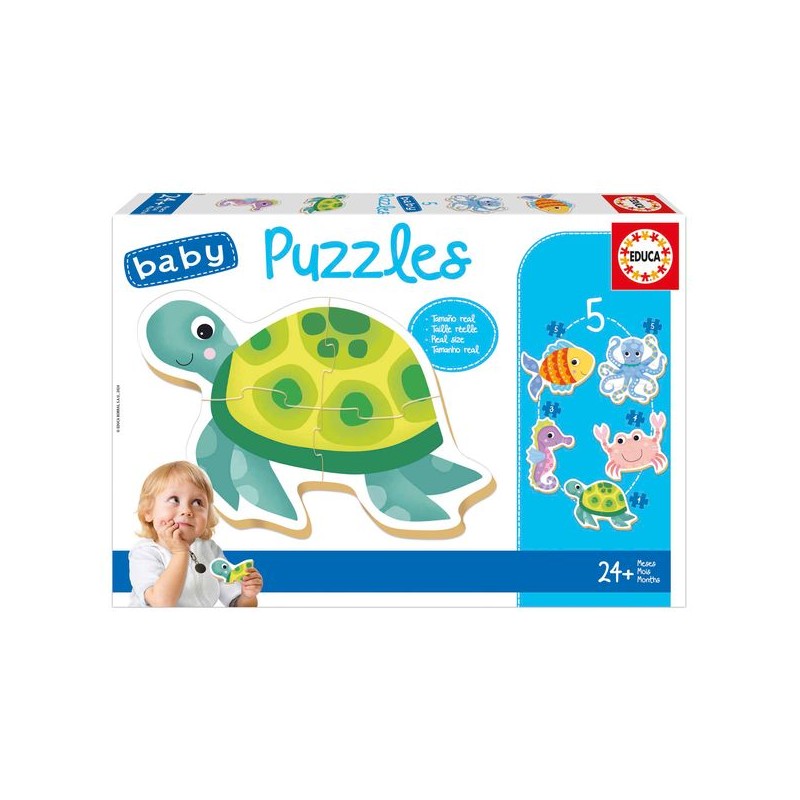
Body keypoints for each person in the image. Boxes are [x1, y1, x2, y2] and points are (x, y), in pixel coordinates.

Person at [129, 461, 263, 607]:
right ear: (148, 512)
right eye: (174, 500)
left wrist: (247, 596)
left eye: (197, 502)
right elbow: (162, 602)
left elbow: (237, 605)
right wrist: (180, 552)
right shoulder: (145, 553)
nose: (187, 510)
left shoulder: (209, 549)